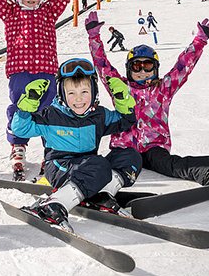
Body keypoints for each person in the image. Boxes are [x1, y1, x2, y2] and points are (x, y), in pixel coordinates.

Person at [85, 11, 209, 186]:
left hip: (153, 147)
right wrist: (94, 37)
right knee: (104, 165)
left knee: (172, 165)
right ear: (128, 69)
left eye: (147, 66)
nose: (142, 71)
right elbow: (102, 66)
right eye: (136, 66)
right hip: (123, 148)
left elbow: (183, 66)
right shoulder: (121, 88)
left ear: (155, 68)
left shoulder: (163, 89)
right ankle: (72, 179)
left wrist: (200, 41)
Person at [0, 0, 86, 180]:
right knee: (21, 109)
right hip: (20, 72)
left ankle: (51, 148)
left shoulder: (49, 11)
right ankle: (18, 146)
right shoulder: (10, 11)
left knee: (48, 111)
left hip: (47, 71)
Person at [10, 58, 141, 231]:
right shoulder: (51, 115)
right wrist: (26, 107)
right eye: (71, 93)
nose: (78, 99)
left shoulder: (99, 115)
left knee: (130, 156)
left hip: (90, 168)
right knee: (98, 165)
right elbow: (20, 129)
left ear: (94, 92)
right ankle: (53, 205)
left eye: (84, 92)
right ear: (62, 94)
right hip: (60, 168)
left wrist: (122, 99)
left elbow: (125, 121)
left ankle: (101, 195)